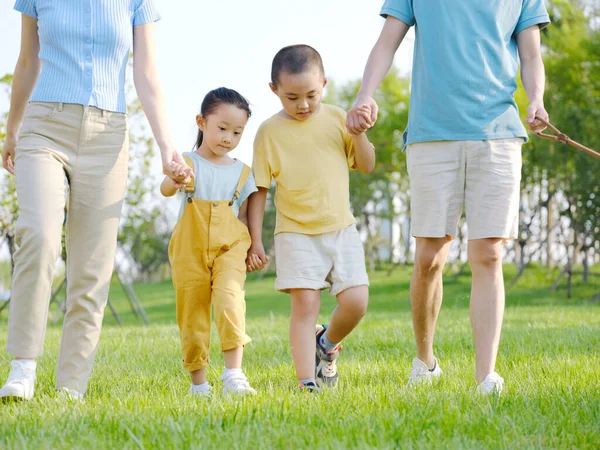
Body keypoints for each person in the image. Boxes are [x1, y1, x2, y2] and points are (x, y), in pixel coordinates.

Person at [346, 0, 551, 394]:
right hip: (432, 133)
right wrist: (364, 94)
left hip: (498, 133)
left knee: (489, 253)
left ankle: (485, 376)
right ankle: (425, 363)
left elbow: (530, 52)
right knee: (429, 256)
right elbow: (386, 42)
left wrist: (536, 98)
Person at [0, 0, 191, 401]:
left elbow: (146, 72)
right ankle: (23, 367)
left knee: (92, 267)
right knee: (39, 234)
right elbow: (27, 61)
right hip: (44, 127)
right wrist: (13, 129)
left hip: (108, 136)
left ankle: (71, 386)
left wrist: (165, 145)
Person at [247, 45, 375, 392]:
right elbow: (259, 190)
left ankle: (326, 343)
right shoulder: (268, 132)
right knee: (305, 304)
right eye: (291, 97)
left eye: (311, 95)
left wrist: (359, 132)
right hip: (295, 233)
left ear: (324, 84)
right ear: (273, 89)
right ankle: (307, 382)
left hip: (341, 228)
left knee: (357, 301)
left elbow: (366, 165)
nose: (302, 105)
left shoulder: (337, 118)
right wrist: (255, 239)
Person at [161, 88, 257, 396]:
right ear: (202, 122)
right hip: (190, 249)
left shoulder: (242, 171)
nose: (228, 137)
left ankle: (234, 375)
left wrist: (256, 245)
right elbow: (165, 189)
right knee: (193, 313)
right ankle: (199, 384)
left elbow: (249, 212)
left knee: (230, 300)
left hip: (230, 246)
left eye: (237, 132)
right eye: (222, 128)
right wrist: (175, 176)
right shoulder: (188, 163)